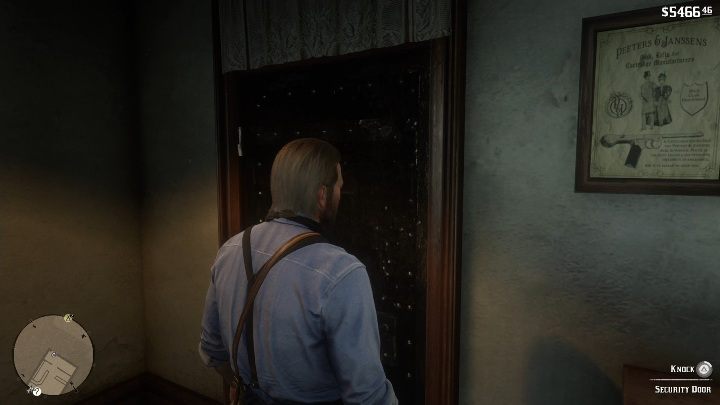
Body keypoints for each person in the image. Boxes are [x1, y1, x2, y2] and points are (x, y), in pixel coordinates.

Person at [199, 138, 397, 405]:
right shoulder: (341, 272)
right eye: (339, 186)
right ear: (322, 195)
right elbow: (368, 396)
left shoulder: (230, 249)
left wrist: (242, 386)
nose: (340, 194)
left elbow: (212, 350)